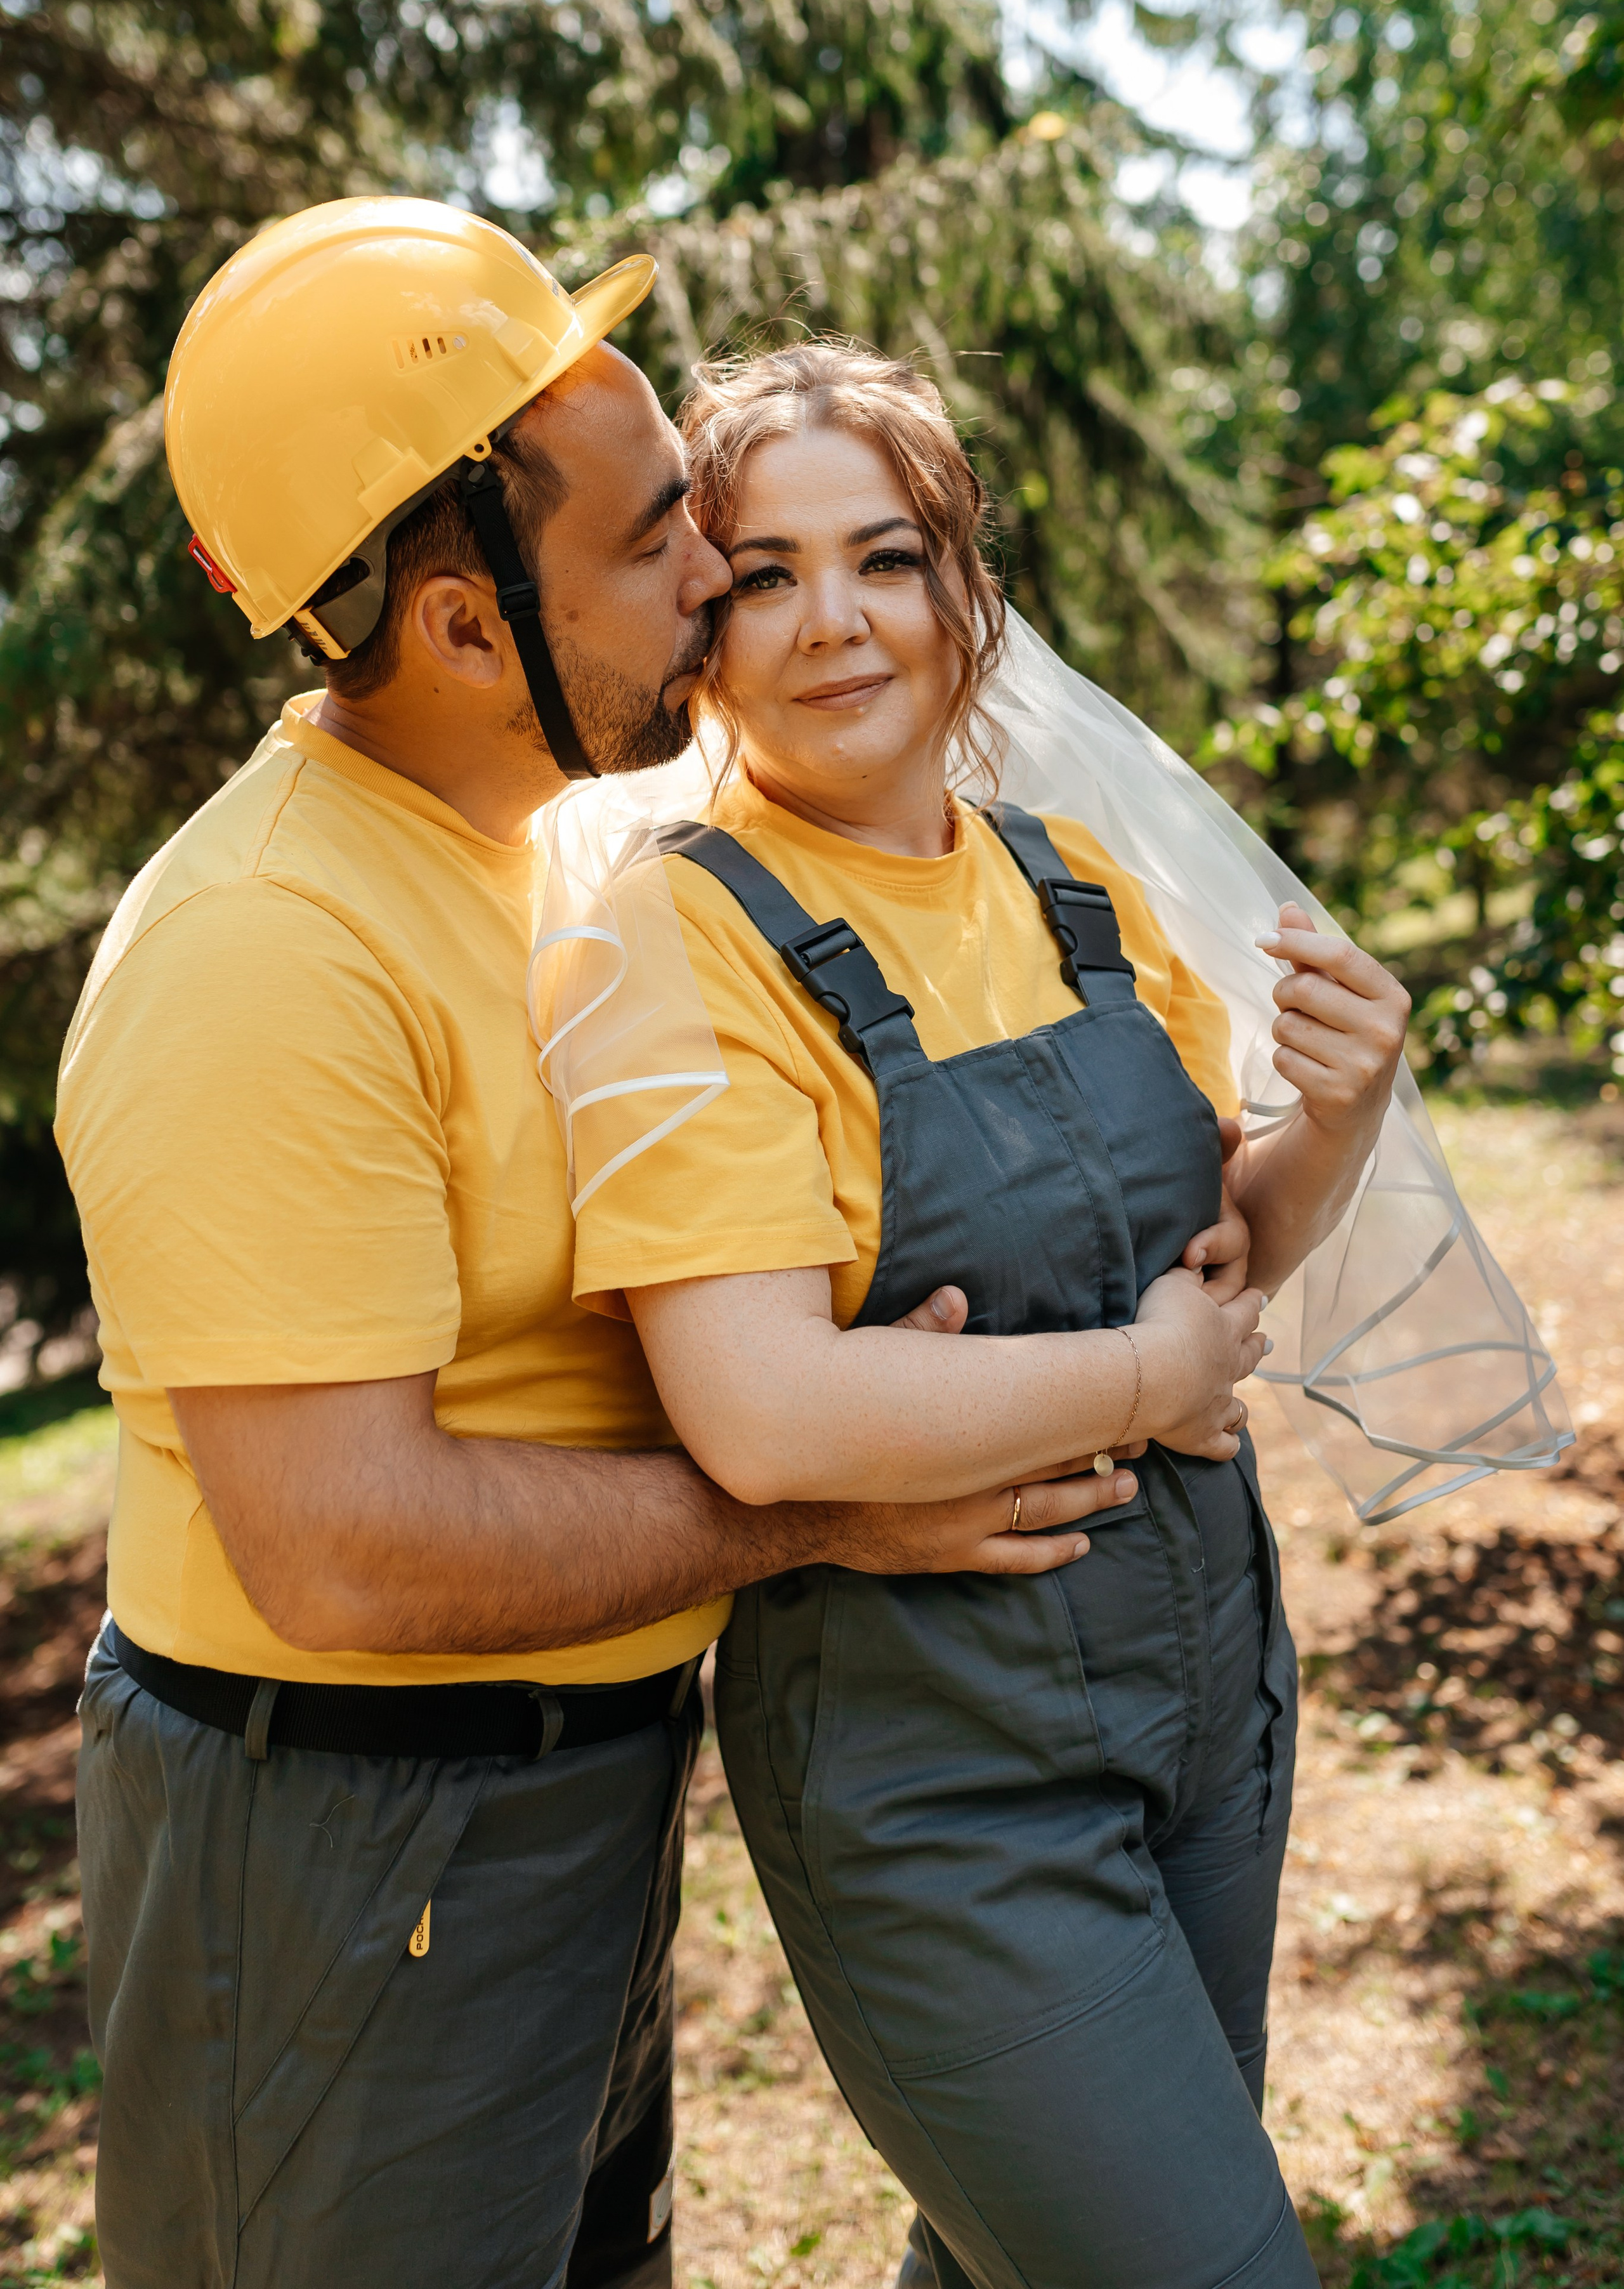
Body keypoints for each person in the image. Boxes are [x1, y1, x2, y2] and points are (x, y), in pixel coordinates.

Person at [55, 207, 1137, 2289]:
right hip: (344, 1844)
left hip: (558, 1798)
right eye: (657, 540)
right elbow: (347, 1543)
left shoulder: (552, 837)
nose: (715, 574)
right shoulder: (264, 954)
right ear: (465, 625)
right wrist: (822, 1515)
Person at [568, 342, 1412, 2289]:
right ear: (700, 623)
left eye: (887, 556)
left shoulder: (1072, 883)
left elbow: (1216, 1259)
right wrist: (1139, 1376)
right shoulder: (669, 940)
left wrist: (1339, 1119)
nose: (836, 622)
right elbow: (764, 1415)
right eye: (765, 571)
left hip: (1213, 1698)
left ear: (970, 593)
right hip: (945, 1783)